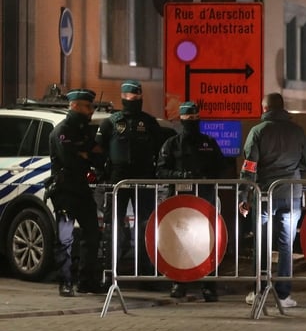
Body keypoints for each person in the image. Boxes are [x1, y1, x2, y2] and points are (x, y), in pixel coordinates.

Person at [238, 93, 306, 308]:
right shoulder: (298, 131)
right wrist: (293, 178)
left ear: (264, 109)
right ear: (283, 107)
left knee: (261, 244)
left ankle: (258, 291)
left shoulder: (258, 132)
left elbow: (249, 167)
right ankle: (283, 295)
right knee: (286, 245)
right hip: (291, 195)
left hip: (264, 195)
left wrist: (244, 196)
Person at [156, 101, 225, 302]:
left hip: (204, 199)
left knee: (207, 242)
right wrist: (181, 175)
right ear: (182, 119)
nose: (193, 121)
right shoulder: (172, 144)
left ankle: (209, 285)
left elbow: (221, 167)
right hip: (180, 202)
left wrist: (205, 177)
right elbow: (161, 170)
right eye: (189, 118)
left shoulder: (209, 143)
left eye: (196, 118)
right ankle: (179, 282)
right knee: (179, 242)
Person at [95, 80, 162, 281]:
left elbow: (161, 149)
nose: (134, 100)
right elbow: (98, 150)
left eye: (137, 97)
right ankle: (110, 273)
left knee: (145, 225)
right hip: (117, 179)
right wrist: (102, 172)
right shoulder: (111, 122)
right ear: (123, 98)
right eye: (131, 97)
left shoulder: (149, 123)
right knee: (113, 226)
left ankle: (145, 274)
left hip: (144, 178)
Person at [49, 89, 103, 296]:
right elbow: (69, 160)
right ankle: (65, 282)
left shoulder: (83, 131)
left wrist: (85, 154)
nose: (91, 110)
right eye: (88, 106)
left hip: (81, 189)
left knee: (92, 234)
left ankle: (86, 281)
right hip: (65, 191)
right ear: (75, 106)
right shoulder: (62, 131)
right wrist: (85, 155)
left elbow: (98, 155)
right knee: (65, 238)